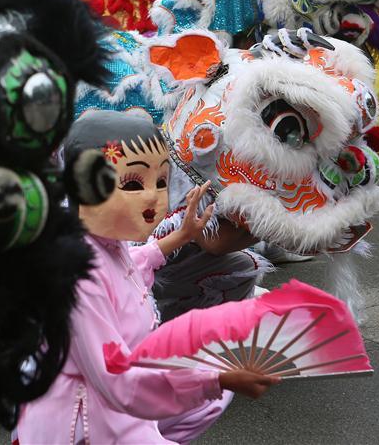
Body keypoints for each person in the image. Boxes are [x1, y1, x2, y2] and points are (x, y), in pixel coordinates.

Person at [14, 112, 278, 444]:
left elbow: (130, 265)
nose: (154, 196)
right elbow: (116, 380)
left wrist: (181, 235)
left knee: (207, 396)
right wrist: (214, 380)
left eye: (162, 181)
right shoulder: (76, 274)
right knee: (208, 386)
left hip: (113, 392)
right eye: (134, 184)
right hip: (83, 417)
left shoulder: (103, 239)